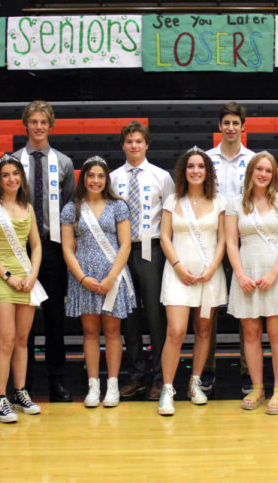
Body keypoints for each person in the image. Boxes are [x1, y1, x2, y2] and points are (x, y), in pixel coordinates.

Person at [226, 151, 278, 415]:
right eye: (259, 169)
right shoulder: (235, 203)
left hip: (276, 275)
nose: (263, 174)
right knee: (251, 334)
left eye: (268, 171)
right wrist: (240, 274)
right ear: (251, 172)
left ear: (273, 175)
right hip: (246, 274)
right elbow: (231, 242)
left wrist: (273, 274)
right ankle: (257, 388)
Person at [12, 100, 76, 403]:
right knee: (21, 320)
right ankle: (21, 383)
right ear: (26, 124)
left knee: (53, 318)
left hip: (51, 248)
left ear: (51, 125)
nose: (38, 127)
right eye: (33, 121)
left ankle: (57, 381)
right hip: (19, 247)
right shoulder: (12, 162)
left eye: (43, 122)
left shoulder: (63, 163)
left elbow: (68, 207)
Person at [60, 157, 135, 409]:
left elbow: (125, 244)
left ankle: (112, 383)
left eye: (100, 176)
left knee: (113, 331)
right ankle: (93, 385)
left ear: (106, 179)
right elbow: (67, 248)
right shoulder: (72, 208)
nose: (95, 180)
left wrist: (112, 276)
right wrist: (82, 277)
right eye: (90, 175)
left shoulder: (118, 206)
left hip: (112, 276)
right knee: (90, 332)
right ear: (83, 178)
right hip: (84, 277)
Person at [0, 155, 47, 423]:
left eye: (15, 173)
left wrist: (32, 274)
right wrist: (8, 276)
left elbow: (36, 245)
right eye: (5, 174)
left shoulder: (26, 207)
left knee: (22, 341)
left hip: (26, 279)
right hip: (1, 279)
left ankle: (20, 392)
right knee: (5, 342)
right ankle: (0, 399)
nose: (11, 179)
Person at [157, 148, 227, 416]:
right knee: (175, 331)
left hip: (209, 276)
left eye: (201, 166)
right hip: (178, 274)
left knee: (204, 330)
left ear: (208, 172)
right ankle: (167, 388)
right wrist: (177, 266)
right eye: (191, 166)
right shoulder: (173, 200)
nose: (196, 171)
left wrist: (211, 268)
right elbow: (165, 237)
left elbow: (222, 239)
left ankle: (195, 383)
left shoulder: (219, 201)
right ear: (184, 171)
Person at [111, 121, 174, 401]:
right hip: (122, 250)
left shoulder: (161, 177)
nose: (134, 146)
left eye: (139, 141)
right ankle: (136, 375)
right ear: (123, 145)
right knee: (129, 316)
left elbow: (171, 217)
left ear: (146, 144)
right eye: (129, 141)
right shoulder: (112, 178)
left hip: (152, 249)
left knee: (155, 316)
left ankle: (161, 376)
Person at [205, 101, 257, 396]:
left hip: (243, 240)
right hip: (211, 240)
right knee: (208, 307)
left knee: (245, 306)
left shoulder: (252, 160)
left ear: (242, 127)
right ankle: (208, 369)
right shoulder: (205, 158)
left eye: (235, 123)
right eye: (226, 122)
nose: (230, 127)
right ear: (220, 126)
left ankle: (248, 371)